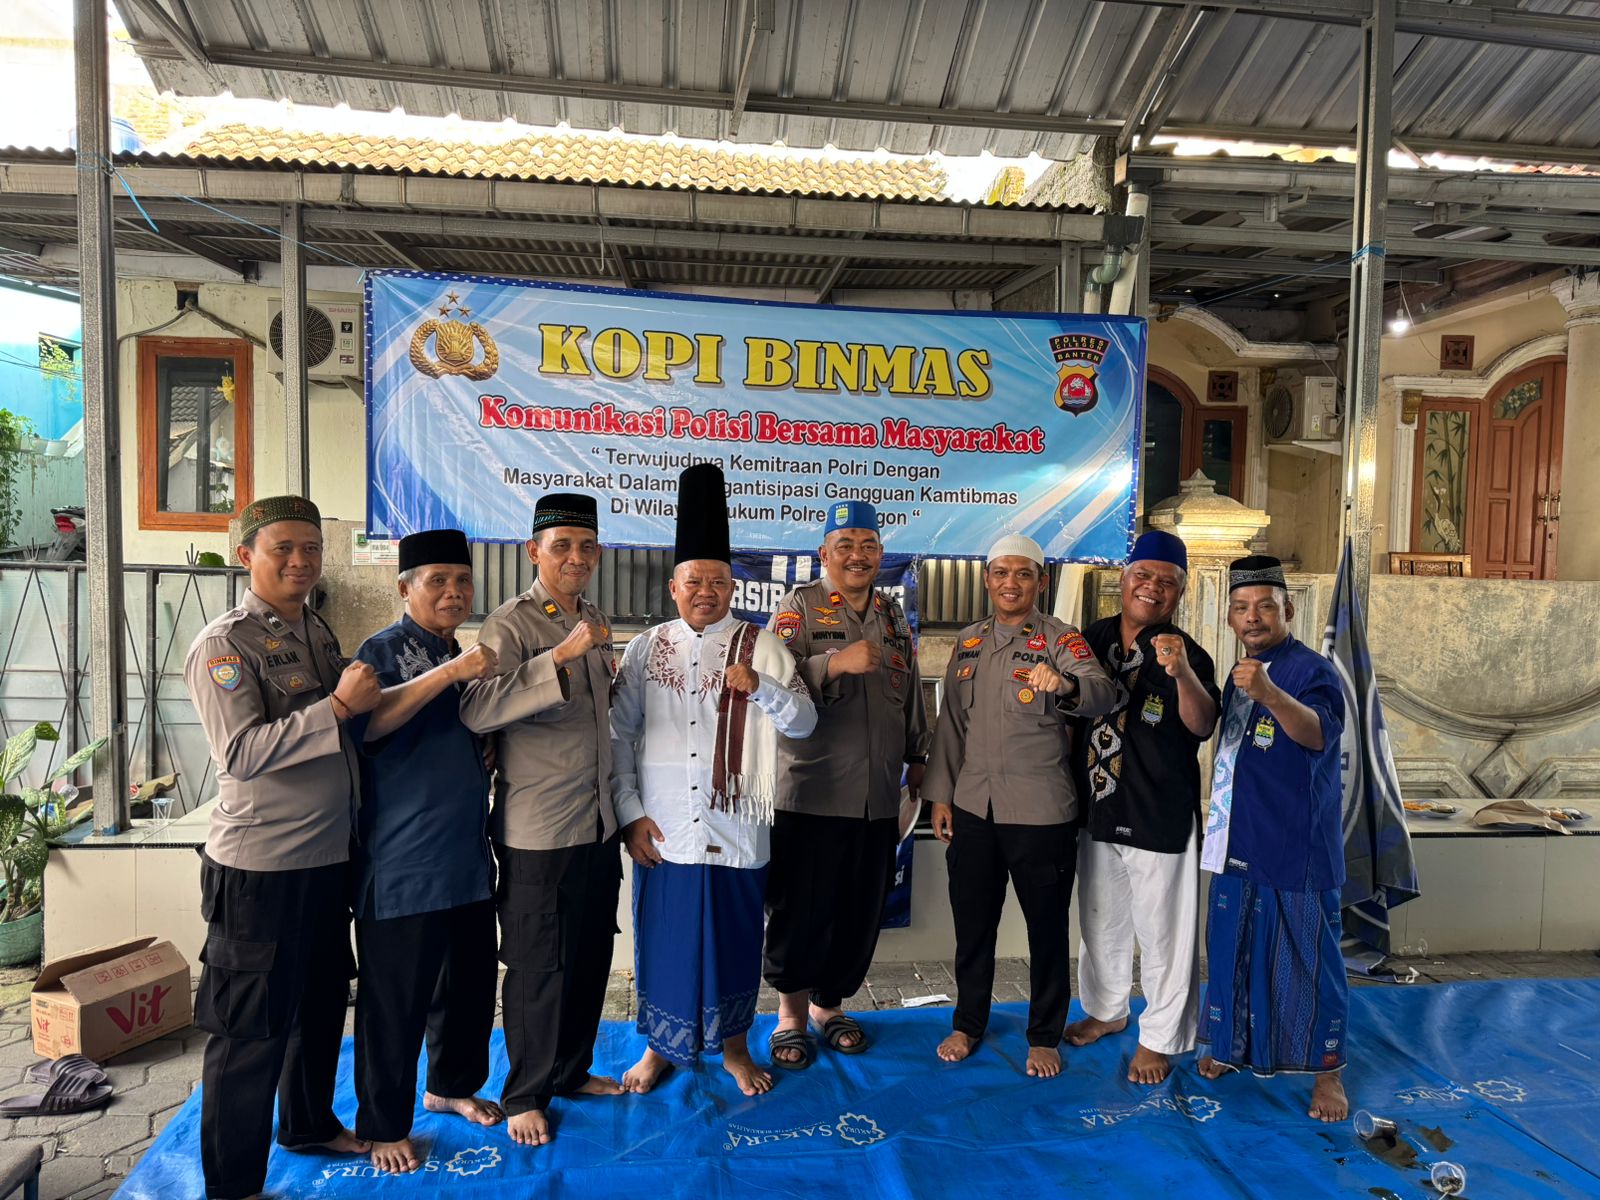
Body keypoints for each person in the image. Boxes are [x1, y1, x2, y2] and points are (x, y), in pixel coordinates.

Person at [185, 495, 377, 1200]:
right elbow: (240, 752)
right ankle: (234, 1183)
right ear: (247, 557)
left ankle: (307, 1124)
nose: (301, 562)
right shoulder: (224, 645)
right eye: (283, 549)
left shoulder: (314, 630)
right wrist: (338, 708)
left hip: (327, 860)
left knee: (320, 1006)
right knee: (250, 1030)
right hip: (260, 870)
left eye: (311, 549)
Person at [610, 463, 817, 1097]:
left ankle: (734, 1050)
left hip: (737, 831)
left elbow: (806, 722)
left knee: (733, 944)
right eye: (694, 581)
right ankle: (659, 1048)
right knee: (664, 944)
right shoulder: (646, 649)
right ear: (673, 587)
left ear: (733, 586)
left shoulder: (763, 645)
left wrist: (764, 688)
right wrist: (629, 815)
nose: (706, 591)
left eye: (718, 581)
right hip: (665, 829)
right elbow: (618, 735)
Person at [925, 533, 1123, 1078]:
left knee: (1046, 929)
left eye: (1023, 574)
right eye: (1000, 573)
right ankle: (968, 1023)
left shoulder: (1061, 638)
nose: (1010, 583)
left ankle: (1044, 1034)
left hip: (1041, 813)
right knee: (973, 925)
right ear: (987, 580)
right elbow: (951, 726)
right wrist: (940, 795)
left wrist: (1064, 685)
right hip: (973, 806)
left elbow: (1103, 693)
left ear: (1041, 581)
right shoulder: (968, 642)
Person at [460, 494, 623, 1149]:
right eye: (562, 546)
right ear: (534, 552)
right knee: (537, 964)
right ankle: (525, 1093)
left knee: (588, 955)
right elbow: (476, 708)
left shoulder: (595, 618)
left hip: (596, 821)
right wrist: (554, 659)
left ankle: (571, 1070)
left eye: (586, 547)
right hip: (539, 828)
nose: (575, 558)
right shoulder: (512, 623)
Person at [347, 529, 504, 1173]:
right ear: (404, 587)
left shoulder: (455, 650)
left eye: (461, 581)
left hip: (465, 859)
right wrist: (453, 673)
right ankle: (385, 1124)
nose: (452, 592)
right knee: (394, 1004)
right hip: (404, 865)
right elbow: (369, 724)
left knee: (467, 988)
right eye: (437, 580)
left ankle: (450, 1087)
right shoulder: (382, 650)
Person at [762, 501, 929, 1068]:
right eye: (845, 545)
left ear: (880, 554)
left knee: (858, 911)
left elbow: (910, 691)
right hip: (813, 791)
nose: (857, 556)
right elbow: (771, 684)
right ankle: (789, 1014)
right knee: (800, 911)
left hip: (877, 795)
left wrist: (918, 756)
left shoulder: (891, 614)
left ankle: (828, 1006)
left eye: (867, 546)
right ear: (824, 554)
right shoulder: (798, 608)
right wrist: (831, 664)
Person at [1196, 555, 1349, 1122]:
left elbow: (1318, 734)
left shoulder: (1311, 670)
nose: (1253, 616)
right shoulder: (1242, 670)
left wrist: (1270, 694)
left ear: (1287, 610)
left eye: (1265, 606)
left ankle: (1328, 1071)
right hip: (1238, 837)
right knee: (1233, 951)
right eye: (1241, 607)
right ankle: (1230, 1046)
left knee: (1308, 963)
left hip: (1296, 847)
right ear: (1230, 618)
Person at [1063, 530, 1220, 1085]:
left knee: (1165, 934)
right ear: (1124, 579)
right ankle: (1106, 1009)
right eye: (1143, 575)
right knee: (1100, 920)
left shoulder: (1187, 652)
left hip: (1158, 811)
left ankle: (1161, 1037)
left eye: (1167, 581)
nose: (1152, 587)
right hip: (1097, 805)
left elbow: (1203, 725)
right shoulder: (1091, 638)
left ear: (1180, 592)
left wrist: (1181, 675)